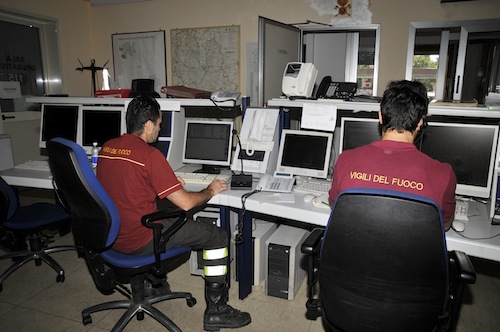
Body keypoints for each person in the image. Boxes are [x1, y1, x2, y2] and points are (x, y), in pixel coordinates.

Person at [96, 96, 251, 331]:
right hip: (140, 239)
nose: (160, 128)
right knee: (217, 236)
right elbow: (187, 203)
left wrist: (164, 183)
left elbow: (121, 187)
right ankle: (216, 310)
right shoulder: (150, 155)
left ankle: (153, 284)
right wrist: (210, 189)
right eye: (159, 123)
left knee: (166, 213)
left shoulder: (108, 148)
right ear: (148, 125)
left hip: (111, 237)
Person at [328, 80, 456, 230]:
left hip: (352, 251)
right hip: (410, 252)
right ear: (420, 122)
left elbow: (335, 204)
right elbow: (444, 225)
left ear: (380, 117)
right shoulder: (444, 174)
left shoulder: (345, 160)